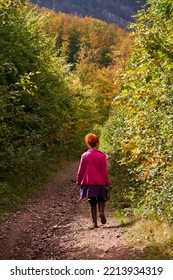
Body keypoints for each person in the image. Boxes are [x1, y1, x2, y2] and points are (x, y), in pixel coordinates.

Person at [76, 133, 111, 228]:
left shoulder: (84, 155)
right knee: (101, 199)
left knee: (92, 202)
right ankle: (101, 212)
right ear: (97, 143)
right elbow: (104, 171)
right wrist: (108, 183)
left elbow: (81, 170)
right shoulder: (102, 156)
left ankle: (94, 223)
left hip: (89, 183)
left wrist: (79, 180)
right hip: (101, 183)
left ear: (88, 144)